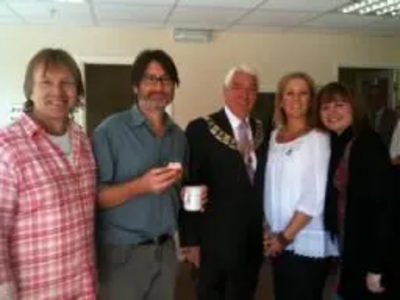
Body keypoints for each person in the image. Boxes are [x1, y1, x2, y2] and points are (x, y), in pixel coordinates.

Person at [0, 48, 97, 299]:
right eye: (46, 82)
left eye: (67, 83)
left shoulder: (82, 141)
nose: (58, 91)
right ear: (29, 90)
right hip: (35, 292)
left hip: (83, 288)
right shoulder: (7, 147)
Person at [93, 49, 186, 300]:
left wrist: (186, 193)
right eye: (150, 78)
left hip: (166, 251)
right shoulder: (109, 132)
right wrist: (140, 186)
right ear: (135, 86)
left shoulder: (178, 136)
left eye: (166, 79)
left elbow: (175, 191)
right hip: (123, 256)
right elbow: (96, 198)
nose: (159, 86)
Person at [179, 65, 268, 300]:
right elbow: (190, 185)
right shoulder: (201, 128)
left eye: (251, 89)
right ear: (224, 91)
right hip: (213, 242)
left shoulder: (262, 130)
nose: (244, 95)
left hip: (251, 242)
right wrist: (191, 241)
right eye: (237, 87)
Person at [318, 82, 397, 299]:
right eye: (325, 107)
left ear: (354, 107)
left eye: (339, 105)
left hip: (370, 256)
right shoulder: (337, 142)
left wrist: (376, 268)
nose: (331, 112)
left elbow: (385, 210)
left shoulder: (368, 145)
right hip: (350, 252)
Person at [263, 72, 337, 300]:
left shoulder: (318, 138)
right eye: (290, 93)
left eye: (303, 93)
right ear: (281, 100)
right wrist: (267, 228)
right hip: (277, 238)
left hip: (303, 239)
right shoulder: (275, 136)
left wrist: (285, 237)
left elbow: (313, 196)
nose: (296, 99)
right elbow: (269, 186)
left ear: (311, 99)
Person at [367, 84, 397, 148]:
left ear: (381, 97)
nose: (373, 100)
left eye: (375, 96)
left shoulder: (391, 116)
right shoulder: (367, 117)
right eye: (371, 97)